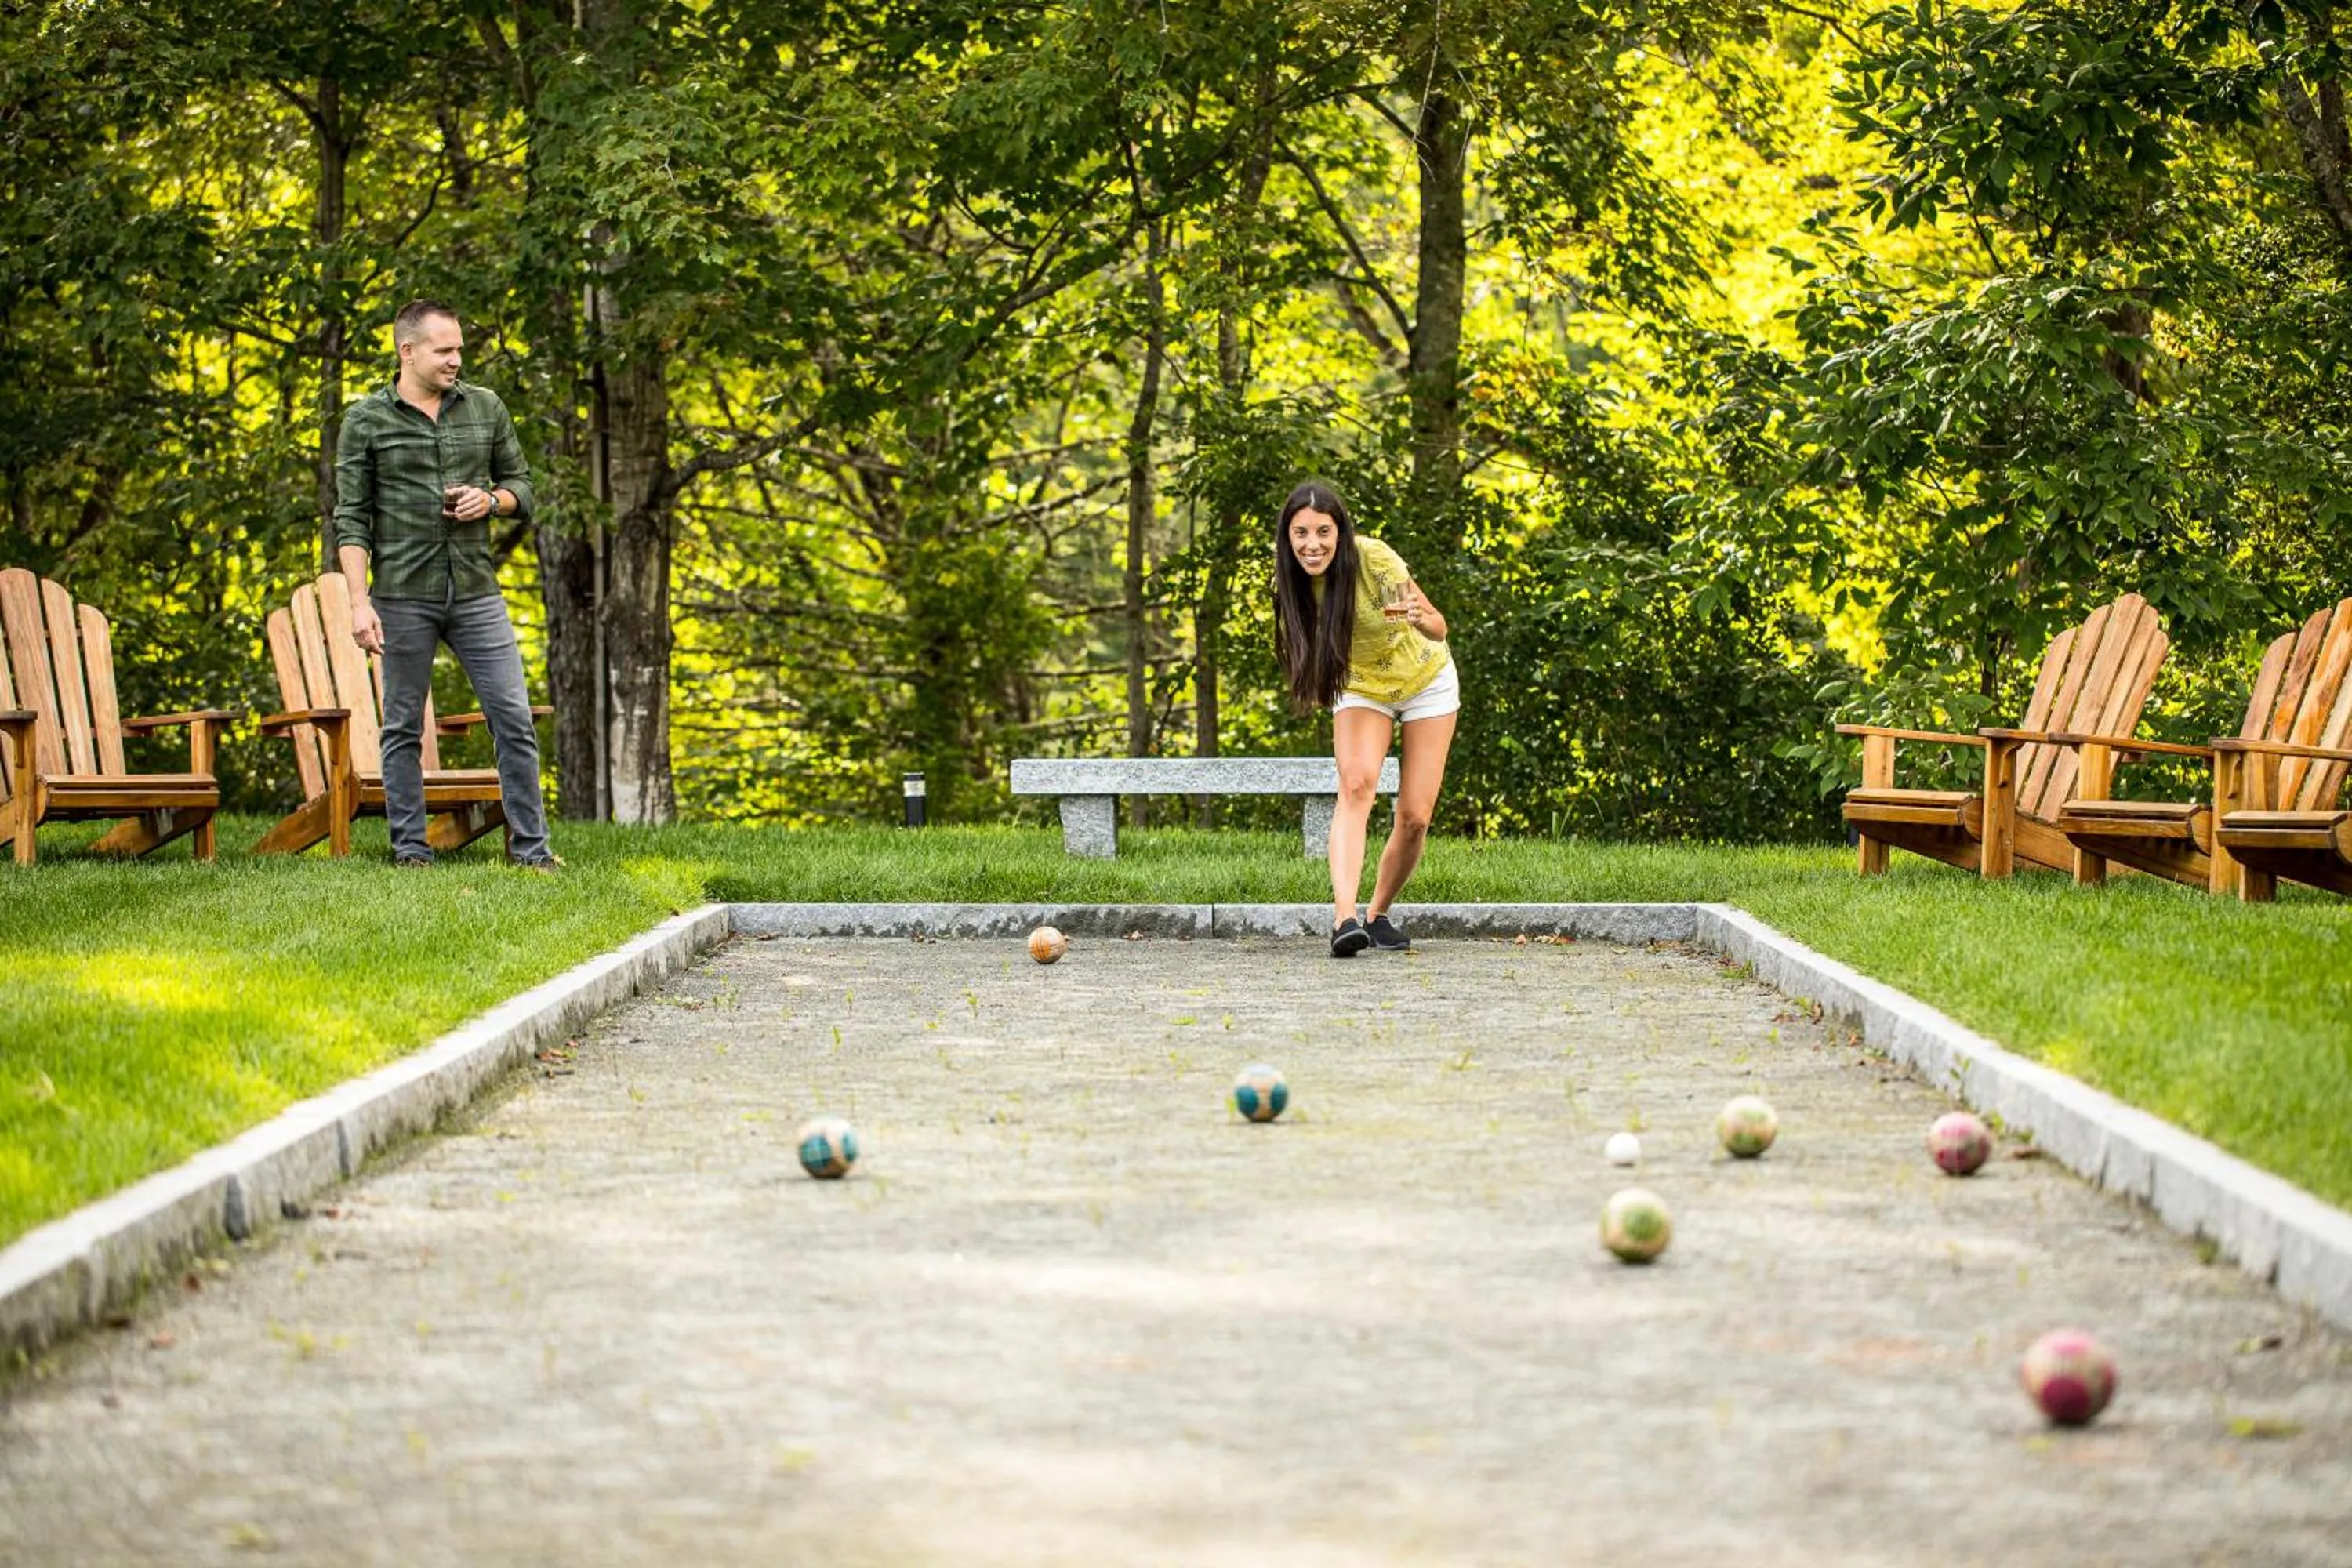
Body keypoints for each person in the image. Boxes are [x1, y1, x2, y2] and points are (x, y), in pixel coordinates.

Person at [332, 298, 558, 870]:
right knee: (403, 725)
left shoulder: (485, 408)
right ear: (408, 351)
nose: (457, 359)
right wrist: (360, 605)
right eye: (445, 349)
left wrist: (492, 500)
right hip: (403, 594)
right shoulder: (366, 420)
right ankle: (411, 851)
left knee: (512, 716)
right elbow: (351, 519)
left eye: (460, 348)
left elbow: (523, 488)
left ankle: (533, 854)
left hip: (477, 593)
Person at [1271, 479, 1457, 957]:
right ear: (1288, 538)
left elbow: (1438, 628)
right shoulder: (1292, 583)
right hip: (1361, 687)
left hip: (1425, 679)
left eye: (1323, 532)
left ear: (1340, 532)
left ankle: (1378, 915)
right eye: (1301, 534)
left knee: (1415, 816)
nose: (1313, 545)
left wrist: (1417, 616)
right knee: (1356, 785)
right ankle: (1344, 920)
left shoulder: (1375, 560)